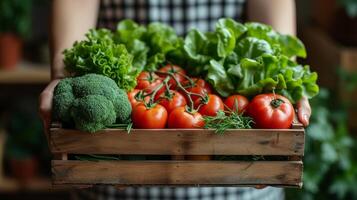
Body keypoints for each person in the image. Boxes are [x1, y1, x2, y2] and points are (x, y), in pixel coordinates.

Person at [39, 0, 311, 199]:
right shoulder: (149, 94)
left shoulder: (204, 98)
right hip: (115, 175)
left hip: (235, 179)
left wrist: (283, 77)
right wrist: (63, 74)